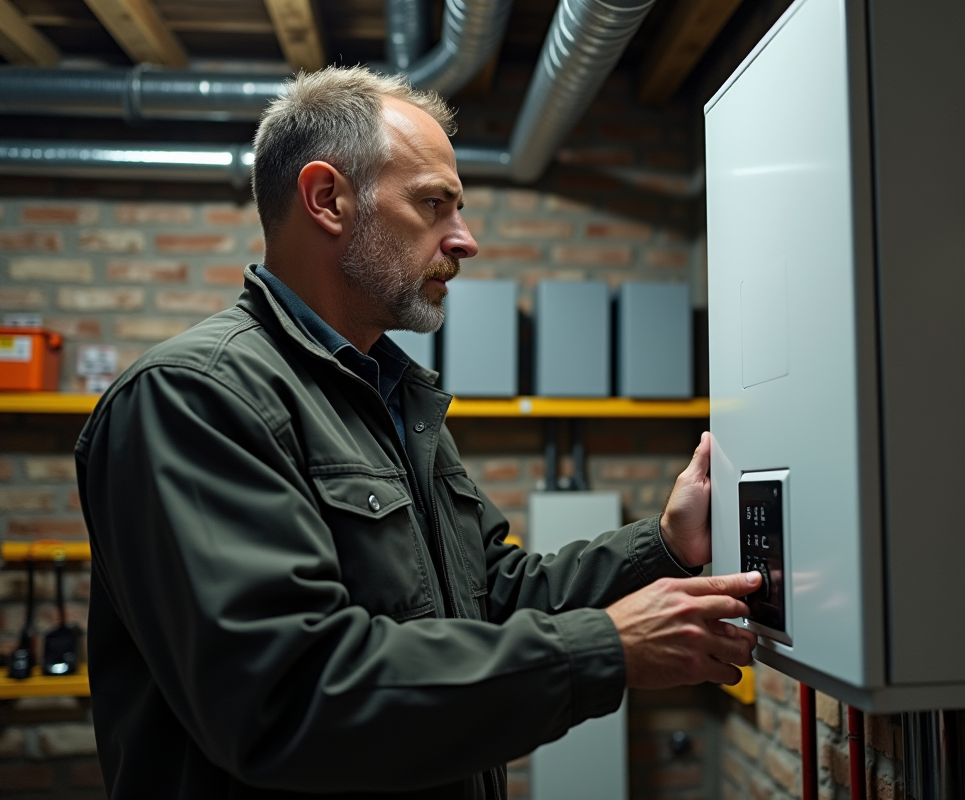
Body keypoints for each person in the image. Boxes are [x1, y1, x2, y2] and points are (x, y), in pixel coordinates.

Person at [76, 66, 761, 799]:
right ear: (327, 199)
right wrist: (607, 649)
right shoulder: (193, 397)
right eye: (434, 205)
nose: (464, 241)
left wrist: (661, 545)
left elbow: (490, 597)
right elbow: (289, 698)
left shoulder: (392, 395)